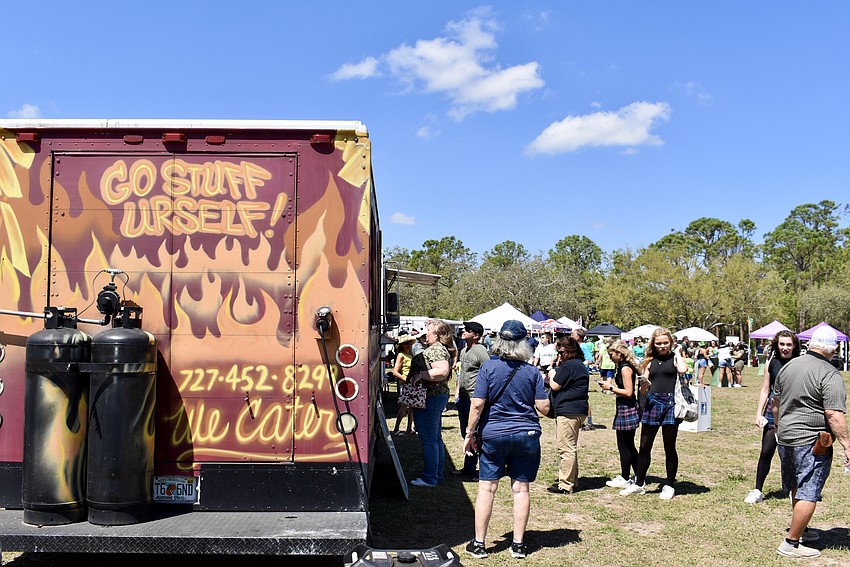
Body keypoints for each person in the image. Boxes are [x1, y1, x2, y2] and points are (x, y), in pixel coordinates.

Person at [463, 320, 549, 560]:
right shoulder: (532, 372)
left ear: (500, 340)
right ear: (523, 343)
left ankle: (479, 543)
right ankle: (518, 545)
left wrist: (469, 433)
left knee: (487, 488)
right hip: (526, 433)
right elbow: (543, 407)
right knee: (521, 489)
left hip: (494, 433)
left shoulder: (488, 368)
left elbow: (477, 404)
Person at [772, 326, 850, 559]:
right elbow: (833, 413)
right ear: (833, 349)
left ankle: (802, 530)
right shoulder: (829, 373)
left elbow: (775, 403)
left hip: (786, 436)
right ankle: (791, 543)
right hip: (811, 440)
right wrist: (847, 445)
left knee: (798, 484)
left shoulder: (789, 366)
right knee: (809, 490)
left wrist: (780, 428)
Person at [620, 328, 688, 500]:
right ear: (653, 344)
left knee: (669, 446)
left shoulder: (675, 358)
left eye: (665, 343)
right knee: (644, 446)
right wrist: (644, 387)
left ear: (671, 342)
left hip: (671, 404)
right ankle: (639, 483)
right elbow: (643, 388)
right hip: (652, 403)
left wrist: (678, 352)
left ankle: (669, 485)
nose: (662, 346)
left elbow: (682, 370)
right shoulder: (650, 361)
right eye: (658, 343)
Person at [744, 330, 800, 504]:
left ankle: (794, 490)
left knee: (792, 455)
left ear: (794, 346)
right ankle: (757, 490)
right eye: (782, 344)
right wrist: (758, 413)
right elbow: (765, 389)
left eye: (789, 344)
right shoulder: (772, 362)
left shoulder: (799, 364)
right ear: (777, 344)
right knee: (766, 451)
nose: (785, 348)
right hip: (772, 409)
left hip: (793, 411)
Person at [409, 319, 455, 488]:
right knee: (435, 438)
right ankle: (436, 474)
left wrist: (420, 375)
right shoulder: (439, 348)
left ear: (436, 334)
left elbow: (442, 371)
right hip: (435, 397)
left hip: (430, 397)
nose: (425, 333)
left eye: (428, 331)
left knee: (429, 439)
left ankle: (430, 478)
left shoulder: (436, 349)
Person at [546, 336, 589, 494]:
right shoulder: (579, 365)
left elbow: (555, 385)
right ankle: (572, 481)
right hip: (578, 410)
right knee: (571, 447)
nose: (559, 355)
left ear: (569, 351)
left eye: (561, 352)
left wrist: (552, 374)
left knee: (566, 449)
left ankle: (565, 485)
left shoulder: (569, 365)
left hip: (568, 411)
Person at [600, 340, 640, 488]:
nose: (610, 357)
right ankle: (638, 475)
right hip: (624, 407)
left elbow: (629, 392)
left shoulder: (625, 368)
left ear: (619, 353)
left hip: (627, 408)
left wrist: (610, 387)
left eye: (611, 354)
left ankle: (626, 477)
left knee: (625, 444)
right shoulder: (622, 367)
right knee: (627, 444)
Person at [453, 321, 490, 478]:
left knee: (476, 433)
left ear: (476, 335)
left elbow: (489, 373)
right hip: (463, 397)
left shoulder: (481, 352)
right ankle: (469, 468)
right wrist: (457, 391)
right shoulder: (464, 350)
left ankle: (482, 470)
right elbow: (462, 373)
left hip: (474, 397)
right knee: (466, 432)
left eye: (467, 330)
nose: (464, 331)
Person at [391, 334, 416, 436]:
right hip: (406, 384)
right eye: (406, 343)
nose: (409, 345)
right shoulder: (401, 355)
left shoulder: (410, 354)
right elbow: (395, 372)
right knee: (404, 406)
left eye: (410, 343)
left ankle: (409, 428)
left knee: (411, 407)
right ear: (401, 345)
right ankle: (396, 428)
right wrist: (406, 379)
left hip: (412, 383)